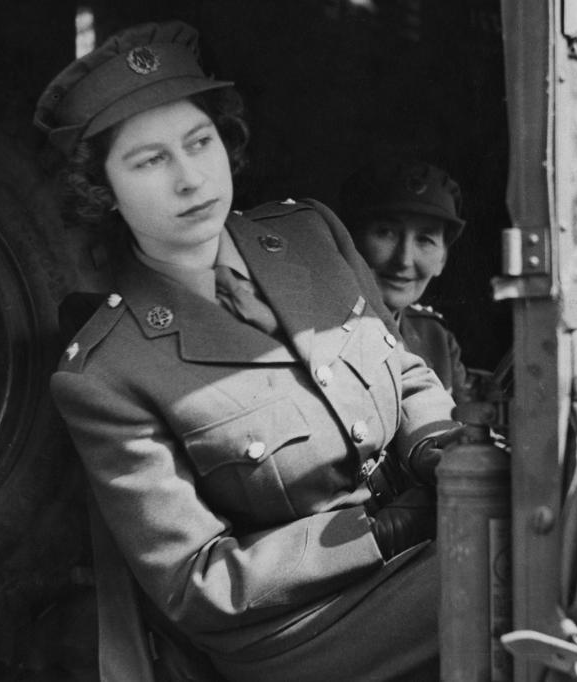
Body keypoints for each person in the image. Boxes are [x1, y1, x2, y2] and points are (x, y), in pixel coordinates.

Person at [35, 21, 460, 682]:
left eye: (199, 143)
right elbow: (196, 581)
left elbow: (402, 372)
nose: (188, 179)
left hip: (428, 551)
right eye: (149, 161)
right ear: (103, 192)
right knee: (524, 559)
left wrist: (439, 449)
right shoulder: (104, 374)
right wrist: (386, 531)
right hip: (302, 630)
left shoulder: (311, 234)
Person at [339, 159, 474, 404]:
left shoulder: (436, 340)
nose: (404, 260)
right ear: (351, 241)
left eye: (425, 239)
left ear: (442, 259)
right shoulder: (317, 331)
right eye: (385, 232)